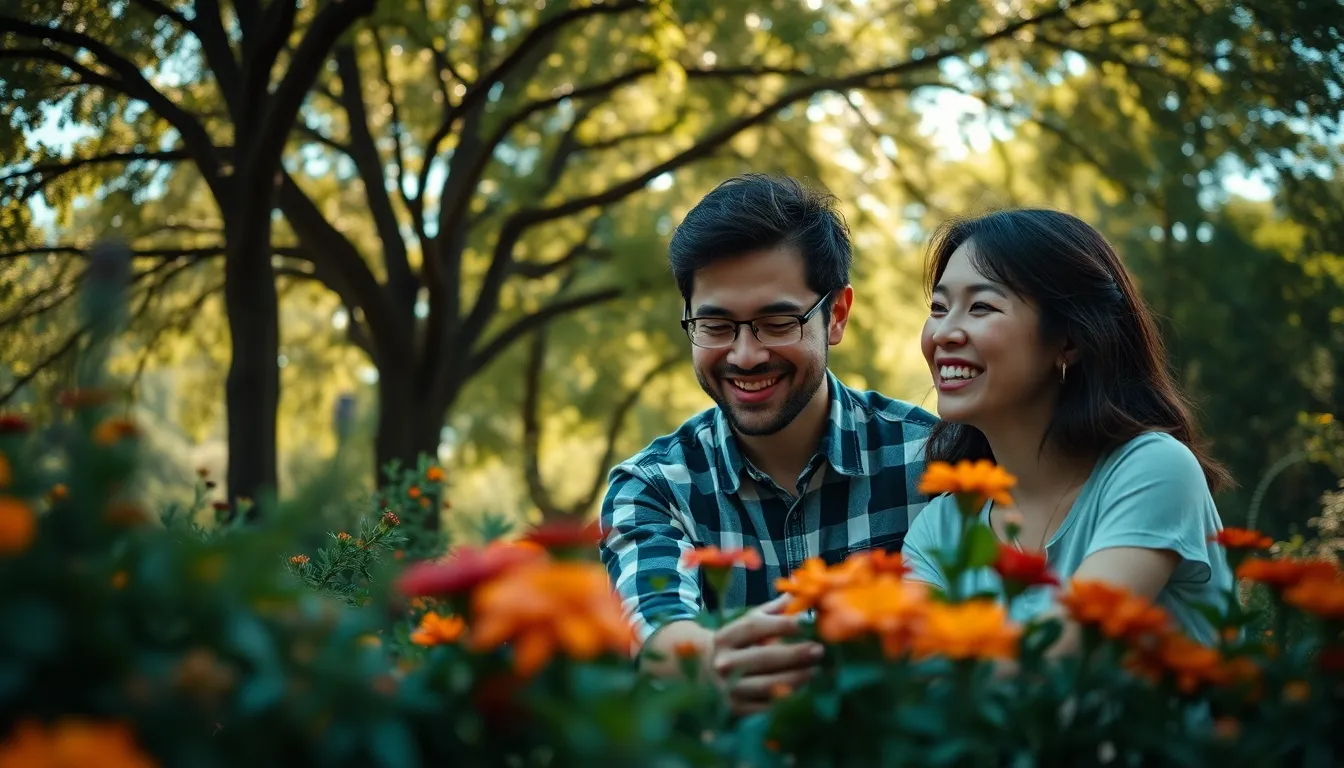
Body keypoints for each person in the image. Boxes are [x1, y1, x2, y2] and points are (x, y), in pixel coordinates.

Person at [598, 174, 937, 712]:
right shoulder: (653, 488)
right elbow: (658, 627)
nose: (746, 355)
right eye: (715, 325)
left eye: (777, 322)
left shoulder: (932, 462)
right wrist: (709, 659)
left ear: (837, 316)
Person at [903, 208, 1235, 647]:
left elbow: (1060, 665)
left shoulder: (1154, 471)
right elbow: (909, 689)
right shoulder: (941, 527)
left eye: (981, 306)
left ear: (1070, 340)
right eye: (939, 308)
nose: (944, 333)